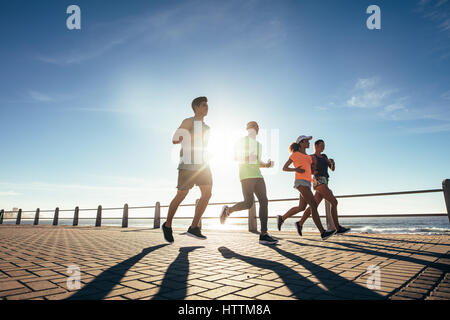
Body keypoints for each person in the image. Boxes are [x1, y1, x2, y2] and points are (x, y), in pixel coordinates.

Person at [162, 97, 212, 243]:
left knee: (207, 194)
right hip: (188, 165)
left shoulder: (207, 128)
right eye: (203, 105)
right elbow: (175, 139)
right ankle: (167, 225)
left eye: (207, 105)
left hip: (202, 165)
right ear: (196, 107)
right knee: (181, 195)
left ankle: (194, 227)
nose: (206, 107)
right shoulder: (189, 121)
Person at [220, 121, 278, 245]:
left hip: (258, 175)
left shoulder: (258, 145)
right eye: (251, 126)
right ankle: (228, 210)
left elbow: (257, 162)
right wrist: (247, 157)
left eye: (256, 126)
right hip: (246, 176)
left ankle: (263, 234)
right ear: (247, 129)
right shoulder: (242, 141)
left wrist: (267, 165)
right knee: (248, 203)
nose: (254, 128)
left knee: (264, 200)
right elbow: (235, 157)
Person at [276, 135, 336, 240]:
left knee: (301, 207)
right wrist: (296, 170)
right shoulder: (295, 154)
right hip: (300, 182)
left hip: (308, 183)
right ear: (301, 143)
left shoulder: (309, 157)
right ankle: (323, 232)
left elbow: (313, 170)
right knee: (313, 205)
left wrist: (328, 163)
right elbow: (284, 168)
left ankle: (282, 218)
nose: (309, 143)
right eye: (307, 141)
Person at [294, 139, 350, 236]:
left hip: (325, 181)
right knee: (334, 201)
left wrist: (333, 163)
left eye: (324, 145)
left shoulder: (324, 156)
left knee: (313, 206)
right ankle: (338, 228)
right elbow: (307, 170)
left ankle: (300, 223)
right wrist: (312, 171)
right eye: (321, 145)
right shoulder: (312, 157)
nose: (323, 147)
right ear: (316, 146)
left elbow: (332, 169)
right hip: (318, 181)